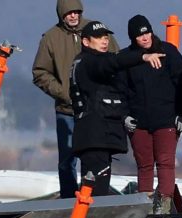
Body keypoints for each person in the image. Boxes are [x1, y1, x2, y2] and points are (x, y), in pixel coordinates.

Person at [32, 0, 118, 199]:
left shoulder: (96, 30)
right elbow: (40, 72)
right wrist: (64, 93)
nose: (73, 16)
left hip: (97, 109)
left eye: (76, 12)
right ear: (61, 15)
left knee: (98, 155)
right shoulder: (50, 39)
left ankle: (97, 198)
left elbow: (116, 61)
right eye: (68, 13)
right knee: (67, 159)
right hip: (67, 110)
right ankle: (69, 201)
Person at [69, 21, 165, 197]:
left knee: (97, 189)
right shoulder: (89, 62)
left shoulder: (91, 61)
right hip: (94, 137)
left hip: (100, 138)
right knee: (95, 192)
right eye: (98, 37)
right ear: (86, 42)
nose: (104, 41)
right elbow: (111, 63)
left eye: (106, 37)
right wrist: (142, 57)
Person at [120, 15, 182, 214]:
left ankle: (164, 207)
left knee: (165, 163)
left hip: (166, 119)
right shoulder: (128, 58)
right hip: (138, 122)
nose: (144, 37)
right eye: (139, 35)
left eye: (146, 32)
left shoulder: (168, 52)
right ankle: (146, 208)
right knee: (144, 165)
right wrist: (124, 115)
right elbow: (121, 89)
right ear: (133, 38)